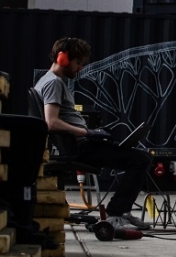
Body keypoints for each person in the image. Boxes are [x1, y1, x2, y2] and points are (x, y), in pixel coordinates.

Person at [32, 37, 152, 231]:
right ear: (63, 58)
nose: (80, 68)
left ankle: (120, 212)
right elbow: (51, 122)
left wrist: (94, 133)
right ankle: (116, 214)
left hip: (81, 143)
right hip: (80, 147)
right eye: (78, 63)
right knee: (141, 159)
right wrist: (89, 132)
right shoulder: (53, 83)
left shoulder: (50, 81)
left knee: (135, 156)